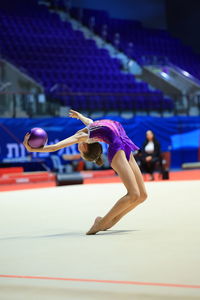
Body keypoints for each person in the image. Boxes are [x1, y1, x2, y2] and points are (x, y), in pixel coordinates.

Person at [23, 109, 147, 235]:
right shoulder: (84, 136)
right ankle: (102, 223)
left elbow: (89, 124)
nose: (79, 149)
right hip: (118, 149)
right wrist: (32, 149)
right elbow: (57, 145)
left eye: (80, 153)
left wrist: (80, 116)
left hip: (124, 145)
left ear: (84, 147)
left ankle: (109, 222)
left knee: (142, 196)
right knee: (134, 195)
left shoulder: (86, 133)